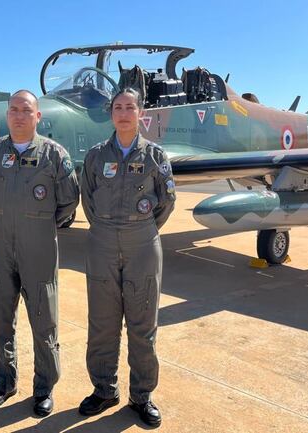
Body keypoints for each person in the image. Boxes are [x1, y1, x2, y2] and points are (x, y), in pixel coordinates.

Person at [0, 90, 79, 417]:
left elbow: (69, 201)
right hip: (0, 246)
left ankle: (44, 387)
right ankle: (3, 381)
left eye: (26, 110)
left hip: (39, 248)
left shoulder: (54, 154)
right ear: (7, 115)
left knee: (43, 320)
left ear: (38, 116)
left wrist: (39, 223)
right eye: (14, 110)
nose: (19, 116)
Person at [77, 87, 175, 427]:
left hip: (142, 243)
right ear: (111, 113)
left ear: (140, 113)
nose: (123, 113)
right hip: (102, 241)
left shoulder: (155, 156)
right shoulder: (95, 156)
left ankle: (141, 395)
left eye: (130, 107)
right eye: (118, 107)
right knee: (102, 323)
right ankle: (104, 389)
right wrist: (108, 228)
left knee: (142, 324)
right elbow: (87, 199)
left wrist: (141, 228)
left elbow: (166, 202)